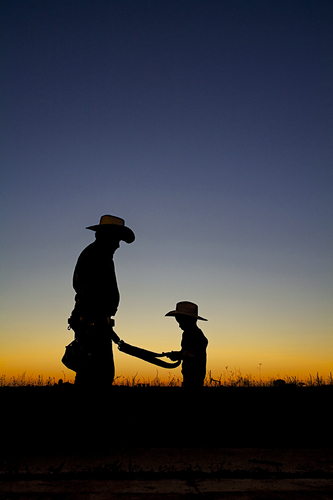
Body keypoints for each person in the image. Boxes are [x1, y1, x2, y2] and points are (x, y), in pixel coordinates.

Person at [68, 214, 135, 389]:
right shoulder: (97, 256)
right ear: (107, 235)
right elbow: (90, 294)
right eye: (117, 239)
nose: (118, 245)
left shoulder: (95, 254)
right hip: (94, 327)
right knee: (98, 378)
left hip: (94, 326)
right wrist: (98, 322)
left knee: (93, 376)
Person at [164, 301, 208, 389]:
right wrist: (177, 354)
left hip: (195, 378)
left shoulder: (196, 335)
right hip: (189, 376)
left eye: (181, 322)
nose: (179, 326)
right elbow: (186, 352)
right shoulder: (188, 334)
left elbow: (192, 354)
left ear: (188, 320)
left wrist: (177, 355)